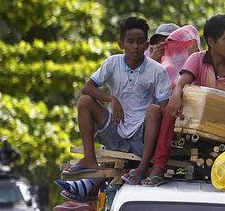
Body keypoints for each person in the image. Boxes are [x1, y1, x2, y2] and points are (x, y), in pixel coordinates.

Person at [142, 14, 225, 186]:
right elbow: (181, 84)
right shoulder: (197, 59)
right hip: (196, 125)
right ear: (211, 42)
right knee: (173, 105)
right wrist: (176, 94)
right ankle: (158, 167)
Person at [62, 16, 172, 190]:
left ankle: (142, 167)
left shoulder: (157, 71)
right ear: (121, 44)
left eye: (140, 42)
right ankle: (89, 158)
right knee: (85, 102)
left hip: (141, 137)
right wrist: (112, 99)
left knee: (154, 109)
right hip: (115, 127)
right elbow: (87, 88)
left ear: (146, 45)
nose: (135, 47)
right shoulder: (112, 63)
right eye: (130, 42)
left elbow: (165, 108)